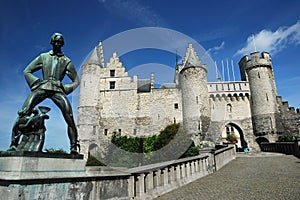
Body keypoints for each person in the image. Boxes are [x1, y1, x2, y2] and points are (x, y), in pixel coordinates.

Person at [18, 33, 80, 154]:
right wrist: (36, 83)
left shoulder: (66, 61)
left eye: (60, 42)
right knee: (24, 111)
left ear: (62, 44)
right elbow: (27, 71)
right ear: (51, 42)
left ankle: (73, 146)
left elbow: (76, 81)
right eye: (55, 42)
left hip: (57, 90)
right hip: (43, 87)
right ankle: (14, 143)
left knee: (69, 117)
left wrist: (65, 87)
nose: (57, 44)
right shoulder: (43, 57)